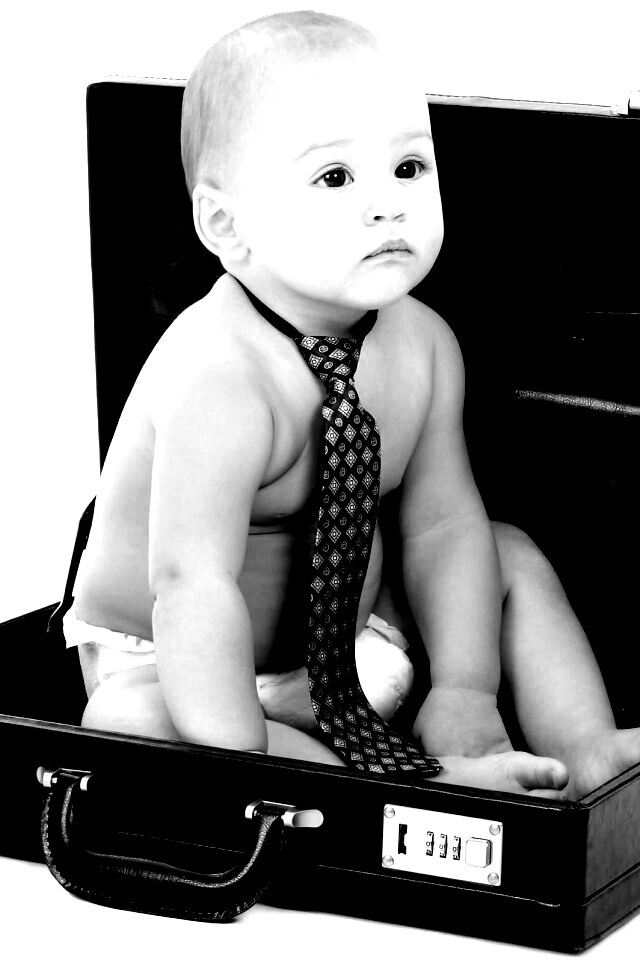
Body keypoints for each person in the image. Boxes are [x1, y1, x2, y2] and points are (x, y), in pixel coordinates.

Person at [66, 10, 640, 799]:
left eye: (409, 167)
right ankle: (398, 788)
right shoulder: (218, 376)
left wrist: (464, 688)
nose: (387, 205)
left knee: (504, 552)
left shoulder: (423, 345)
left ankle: (584, 749)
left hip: (350, 649)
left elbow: (441, 525)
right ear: (226, 226)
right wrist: (242, 759)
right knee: (129, 720)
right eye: (335, 178)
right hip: (186, 666)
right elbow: (191, 582)